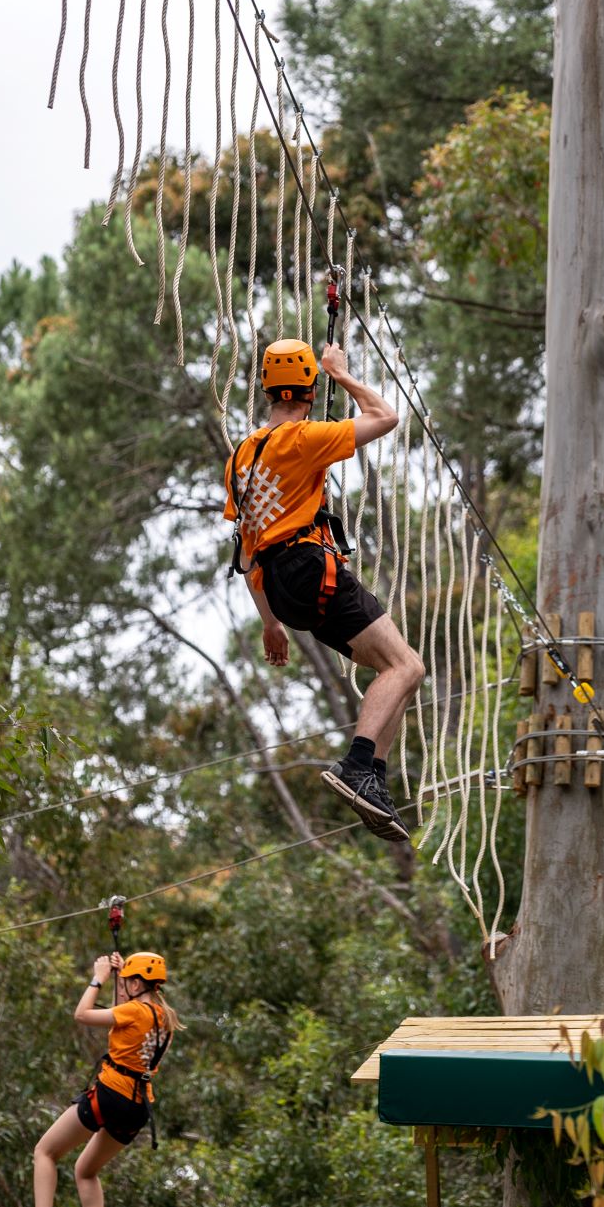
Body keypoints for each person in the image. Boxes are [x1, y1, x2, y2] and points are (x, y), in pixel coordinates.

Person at [224, 337, 425, 842]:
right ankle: (358, 765)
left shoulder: (241, 459)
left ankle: (371, 780)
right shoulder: (303, 438)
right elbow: (385, 416)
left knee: (393, 670)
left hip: (282, 589)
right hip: (311, 568)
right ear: (307, 389)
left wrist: (271, 622)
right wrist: (342, 373)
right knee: (408, 666)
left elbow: (248, 551)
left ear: (268, 388)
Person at [10, 950, 181, 1207]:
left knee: (45, 1151)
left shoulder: (132, 1010)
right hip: (137, 1108)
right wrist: (121, 975)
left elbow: (82, 1014)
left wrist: (99, 977)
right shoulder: (164, 1020)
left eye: (127, 981)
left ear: (135, 983)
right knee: (85, 1170)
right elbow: (127, 1011)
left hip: (110, 1094)